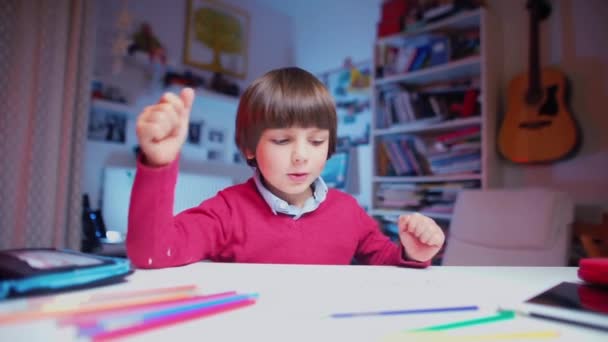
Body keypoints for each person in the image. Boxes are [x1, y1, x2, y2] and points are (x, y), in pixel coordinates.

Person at [127, 67, 445, 269]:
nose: (301, 157)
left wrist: (412, 252)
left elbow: (387, 260)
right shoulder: (226, 211)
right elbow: (153, 254)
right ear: (250, 147)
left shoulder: (348, 211)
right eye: (282, 141)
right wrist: (159, 163)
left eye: (317, 141)